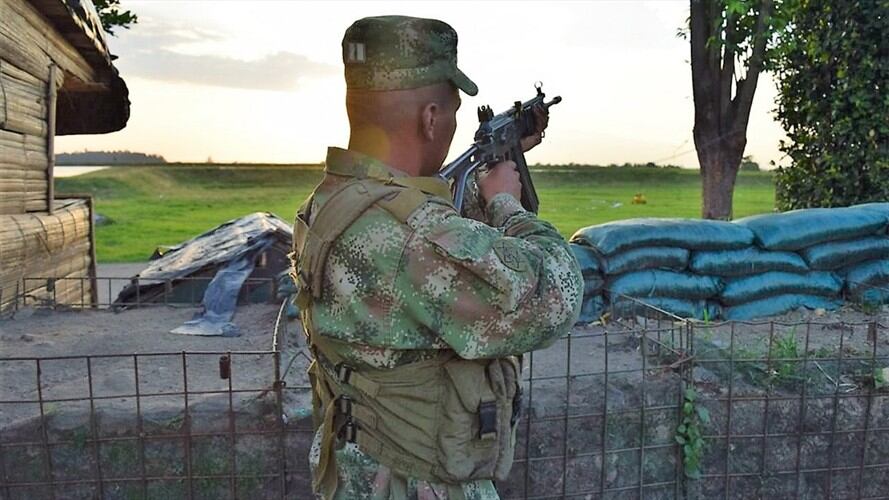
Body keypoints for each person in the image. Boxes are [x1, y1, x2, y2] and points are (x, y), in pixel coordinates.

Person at [291, 15, 582, 500]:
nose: (451, 126)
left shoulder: (331, 203)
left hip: (356, 464)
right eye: (451, 113)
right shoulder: (417, 237)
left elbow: (423, 254)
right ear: (429, 118)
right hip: (417, 480)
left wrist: (493, 173)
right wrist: (507, 204)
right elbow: (554, 297)